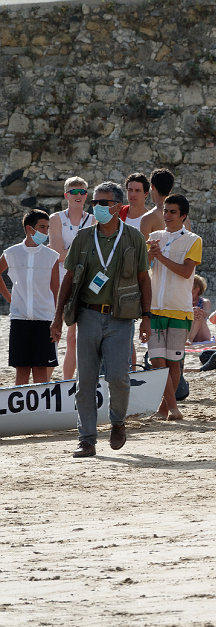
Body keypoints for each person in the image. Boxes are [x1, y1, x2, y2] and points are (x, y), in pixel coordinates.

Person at [50, 181, 151, 458]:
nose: (97, 208)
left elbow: (144, 279)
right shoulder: (83, 238)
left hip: (120, 318)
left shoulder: (133, 238)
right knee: (85, 381)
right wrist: (58, 318)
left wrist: (146, 317)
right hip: (88, 315)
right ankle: (87, 439)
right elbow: (68, 279)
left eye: (103, 203)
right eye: (95, 203)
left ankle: (117, 422)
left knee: (118, 377)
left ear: (118, 206)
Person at [146, 194, 202, 421]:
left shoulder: (193, 240)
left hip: (179, 308)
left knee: (173, 362)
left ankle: (165, 408)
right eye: (165, 211)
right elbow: (144, 267)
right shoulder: (154, 237)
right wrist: (150, 256)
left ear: (183, 216)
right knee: (156, 361)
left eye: (172, 212)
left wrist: (160, 257)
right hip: (155, 308)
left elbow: (187, 271)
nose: (167, 216)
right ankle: (172, 408)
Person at [0, 210, 60, 384]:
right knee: (22, 369)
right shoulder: (12, 252)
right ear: (29, 228)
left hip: (45, 320)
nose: (45, 232)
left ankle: (41, 410)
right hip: (20, 319)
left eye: (47, 228)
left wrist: (57, 321)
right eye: (42, 227)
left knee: (41, 369)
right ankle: (21, 411)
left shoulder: (51, 256)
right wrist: (10, 298)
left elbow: (55, 290)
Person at [48, 176, 95, 380]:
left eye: (82, 192)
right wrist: (78, 249)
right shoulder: (56, 219)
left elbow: (90, 255)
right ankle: (46, 381)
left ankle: (68, 382)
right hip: (59, 280)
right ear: (66, 195)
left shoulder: (93, 220)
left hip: (82, 281)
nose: (78, 196)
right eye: (74, 192)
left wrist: (70, 251)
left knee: (73, 337)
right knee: (54, 334)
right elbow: (58, 255)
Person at [139, 168, 192, 237]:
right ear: (171, 188)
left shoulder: (147, 219)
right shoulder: (184, 217)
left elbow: (144, 247)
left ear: (152, 186)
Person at [186, 275, 212, 344]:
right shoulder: (184, 301)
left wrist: (199, 311)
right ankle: (188, 338)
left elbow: (207, 314)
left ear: (197, 288)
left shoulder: (205, 301)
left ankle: (190, 339)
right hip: (186, 330)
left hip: (201, 333)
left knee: (199, 315)